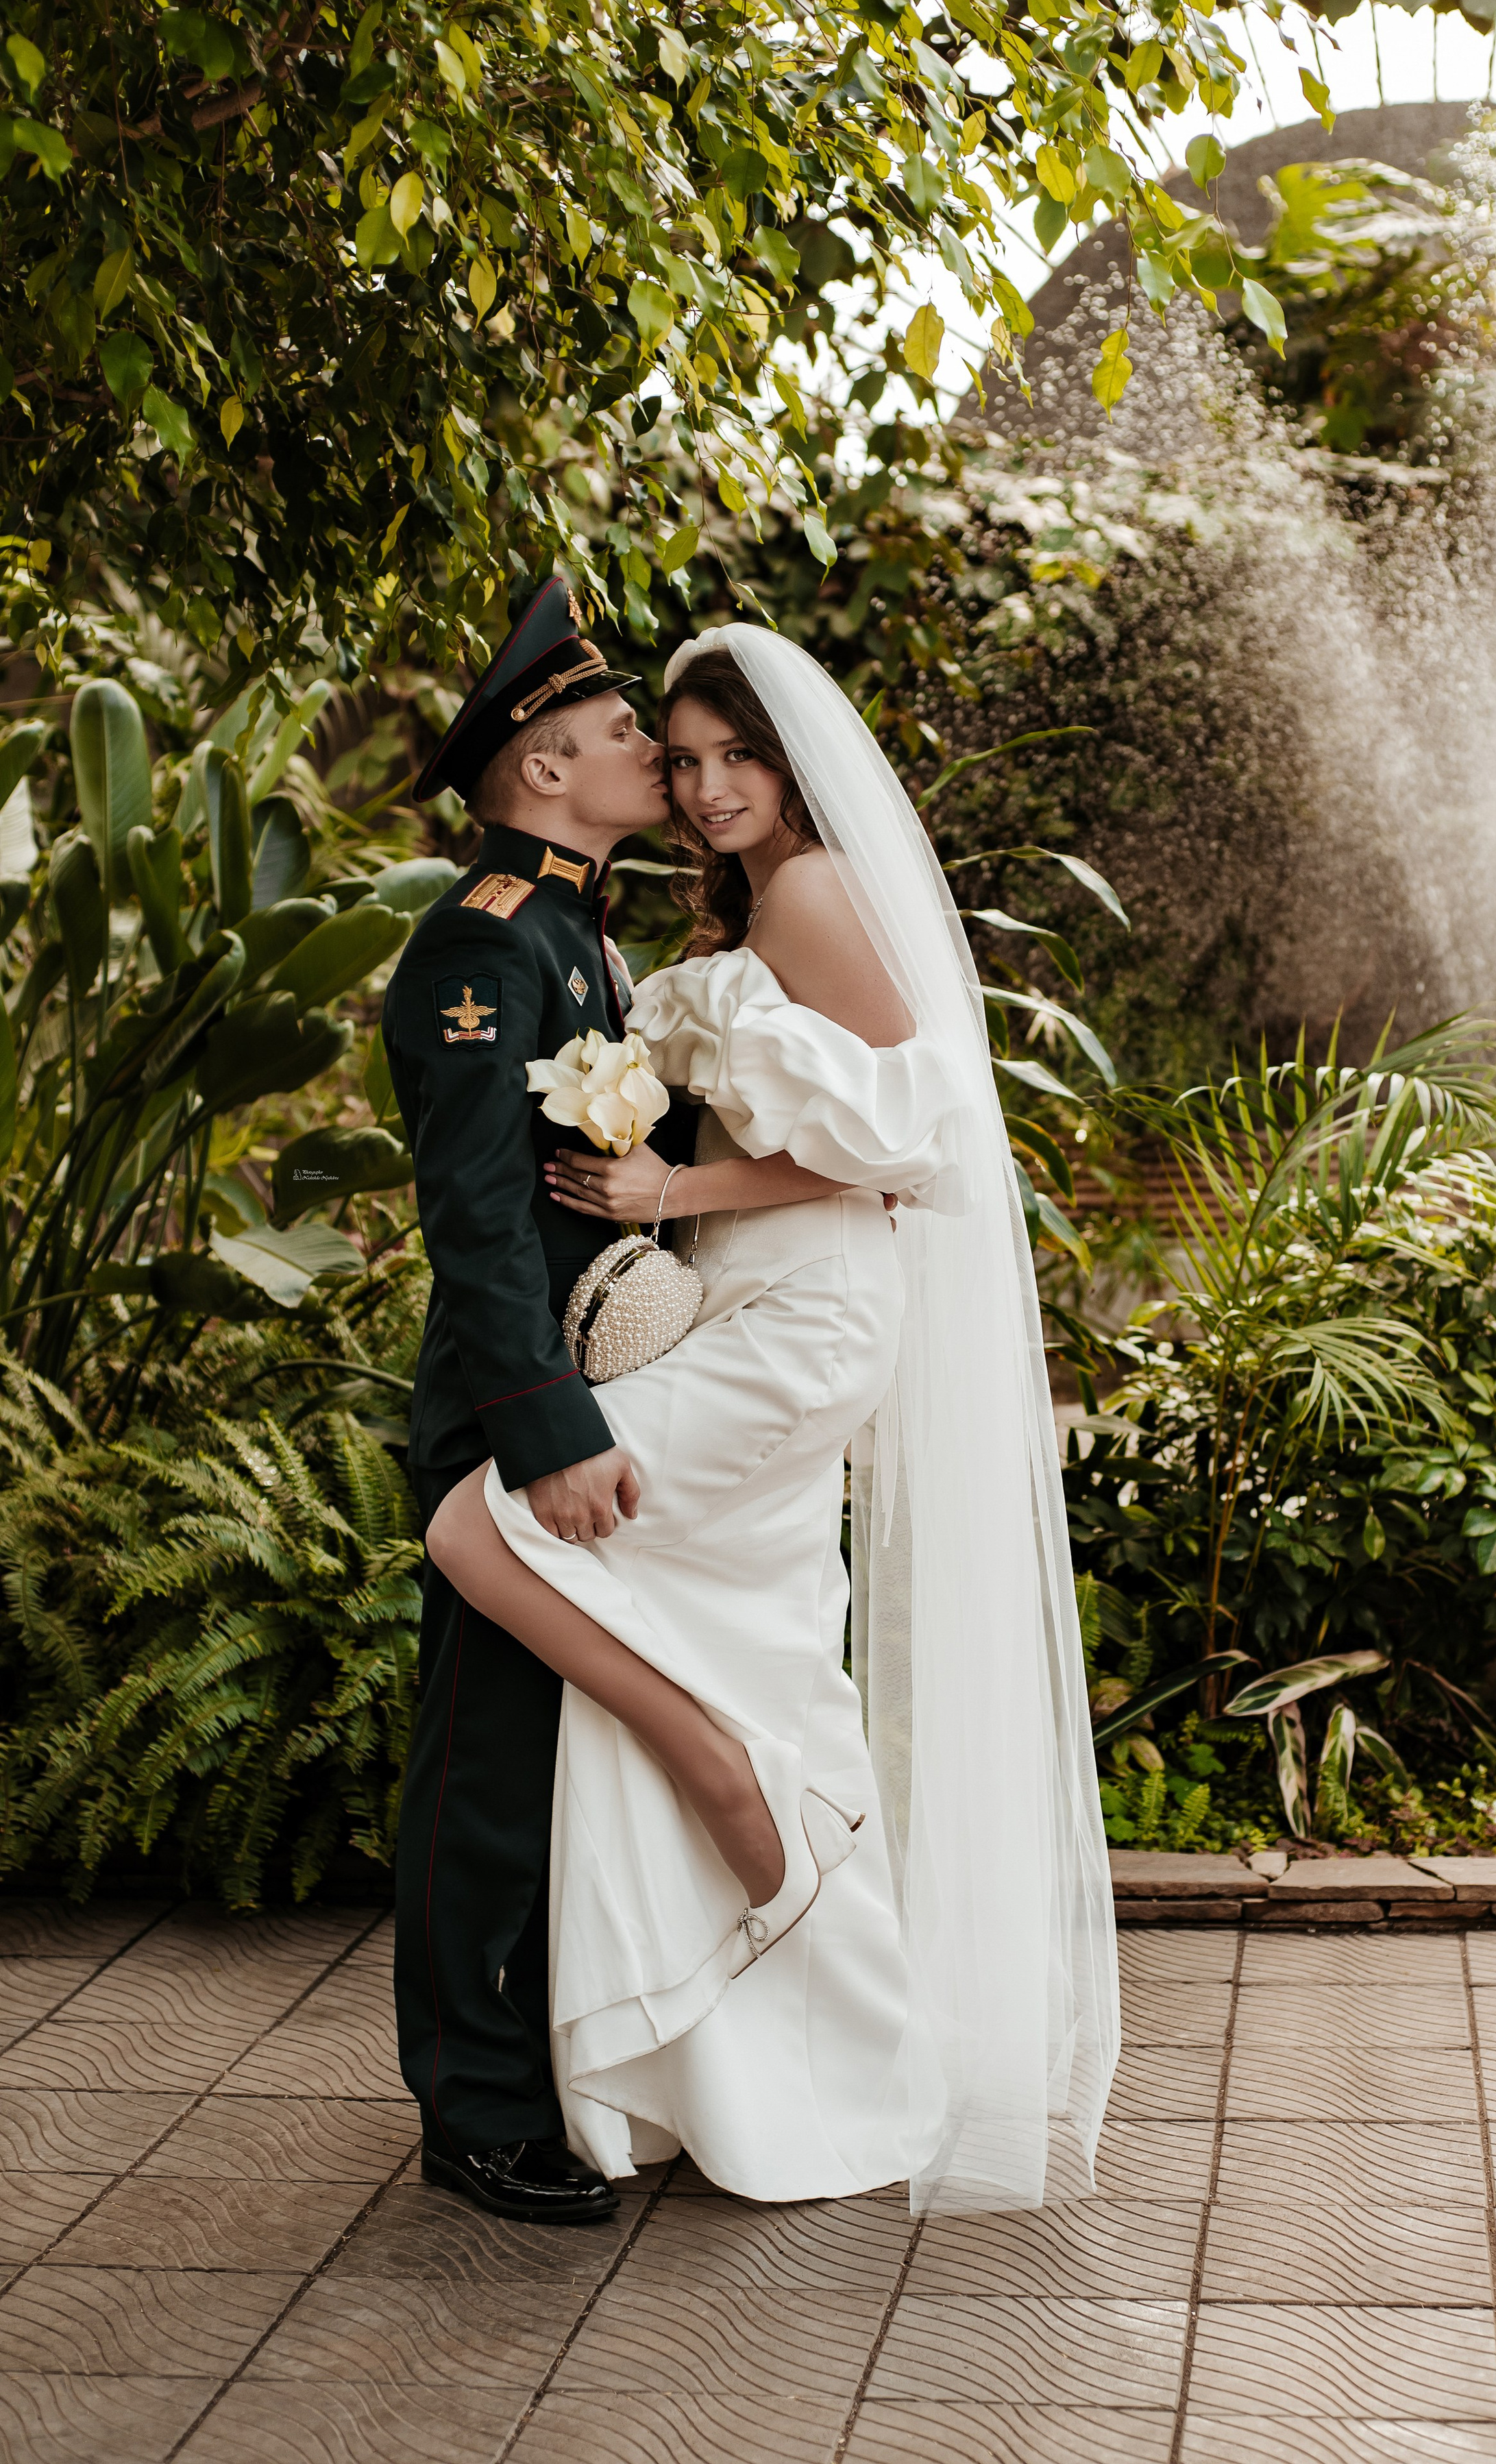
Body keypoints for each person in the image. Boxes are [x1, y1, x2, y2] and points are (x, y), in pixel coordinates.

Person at [426, 624, 1120, 2216]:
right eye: (681, 757)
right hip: (750, 1300)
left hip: (807, 1307)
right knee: (744, 1635)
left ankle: (731, 1789)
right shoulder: (721, 910)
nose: (707, 784)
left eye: (737, 756)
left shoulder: (805, 891)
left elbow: (913, 1139)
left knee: (485, 1524)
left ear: (794, 767)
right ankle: (758, 2048)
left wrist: (677, 1184)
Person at [385, 582, 850, 2224]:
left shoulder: (577, 930)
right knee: (487, 1767)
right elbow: (478, 1212)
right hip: (518, 1413)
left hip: (593, 1386)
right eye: (611, 741)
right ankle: (474, 2107)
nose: (650, 758)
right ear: (536, 772)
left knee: (557, 1759)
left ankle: (546, 2074)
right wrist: (545, 1424)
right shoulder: (482, 941)